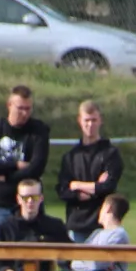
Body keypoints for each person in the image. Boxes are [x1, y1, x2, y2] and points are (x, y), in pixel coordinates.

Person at [0, 85, 49, 225]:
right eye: (20, 108)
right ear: (9, 105)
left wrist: (3, 176)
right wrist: (16, 165)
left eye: (28, 109)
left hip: (28, 204)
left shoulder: (39, 131)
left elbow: (36, 168)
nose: (24, 113)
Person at [54, 99, 123, 239]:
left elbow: (108, 187)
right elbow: (63, 190)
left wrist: (77, 185)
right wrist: (93, 189)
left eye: (94, 120)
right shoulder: (70, 156)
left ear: (100, 120)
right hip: (77, 225)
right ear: (79, 120)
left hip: (103, 224)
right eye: (86, 120)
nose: (90, 124)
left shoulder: (110, 154)